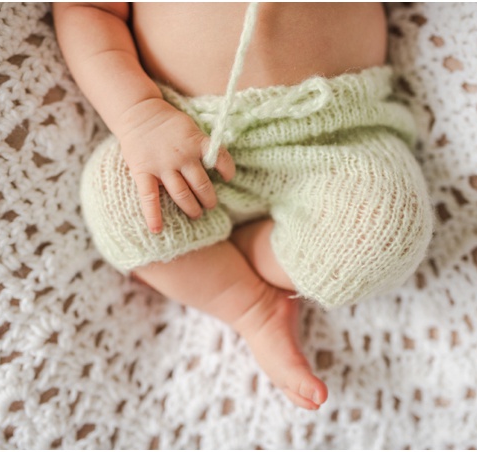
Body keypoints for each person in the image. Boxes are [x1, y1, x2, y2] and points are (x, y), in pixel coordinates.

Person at [54, 2, 433, 410]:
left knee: (384, 229)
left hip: (338, 131)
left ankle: (244, 254)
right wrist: (139, 117)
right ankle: (249, 305)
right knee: (118, 195)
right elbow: (85, 9)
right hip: (182, 135)